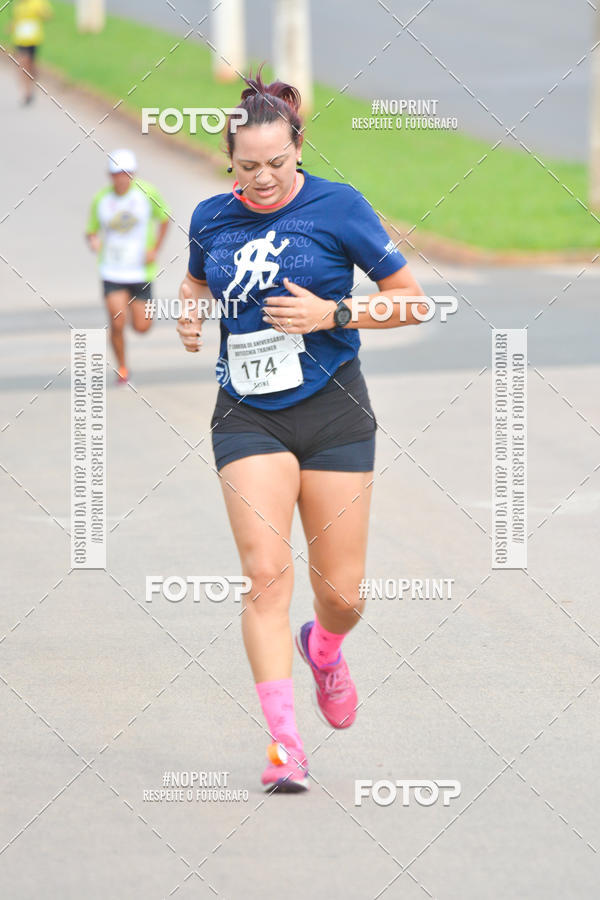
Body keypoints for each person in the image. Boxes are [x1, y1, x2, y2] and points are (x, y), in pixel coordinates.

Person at [177, 68, 428, 792]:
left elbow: (412, 301)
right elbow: (196, 280)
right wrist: (190, 309)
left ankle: (324, 648)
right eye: (247, 167)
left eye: (277, 163)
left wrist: (333, 314)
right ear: (229, 160)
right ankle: (284, 745)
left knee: (342, 595)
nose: (263, 179)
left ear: (298, 146)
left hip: (333, 410)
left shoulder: (338, 206)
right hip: (247, 413)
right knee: (264, 574)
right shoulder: (210, 218)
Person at [85, 149, 170, 384]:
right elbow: (91, 230)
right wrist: (93, 241)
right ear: (109, 175)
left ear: (133, 174)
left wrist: (155, 249)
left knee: (142, 326)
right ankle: (122, 367)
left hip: (141, 271)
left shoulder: (147, 193)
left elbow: (164, 217)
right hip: (112, 270)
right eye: (116, 174)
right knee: (117, 321)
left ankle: (133, 309)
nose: (121, 178)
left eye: (126, 173)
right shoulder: (102, 199)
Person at [8, 0, 53, 106]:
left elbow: (48, 16)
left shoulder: (37, 3)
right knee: (23, 64)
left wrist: (42, 14)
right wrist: (11, 26)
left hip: (33, 40)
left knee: (31, 66)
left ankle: (31, 87)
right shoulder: (18, 4)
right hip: (20, 40)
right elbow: (17, 19)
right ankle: (26, 93)